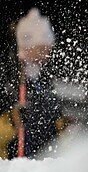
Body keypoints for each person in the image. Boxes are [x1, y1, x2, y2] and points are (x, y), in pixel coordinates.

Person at [0, 8, 65, 158]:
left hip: (42, 163)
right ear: (25, 46)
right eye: (41, 46)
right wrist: (11, 121)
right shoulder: (7, 77)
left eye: (48, 46)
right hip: (12, 165)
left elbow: (52, 119)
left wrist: (62, 125)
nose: (47, 51)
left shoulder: (44, 79)